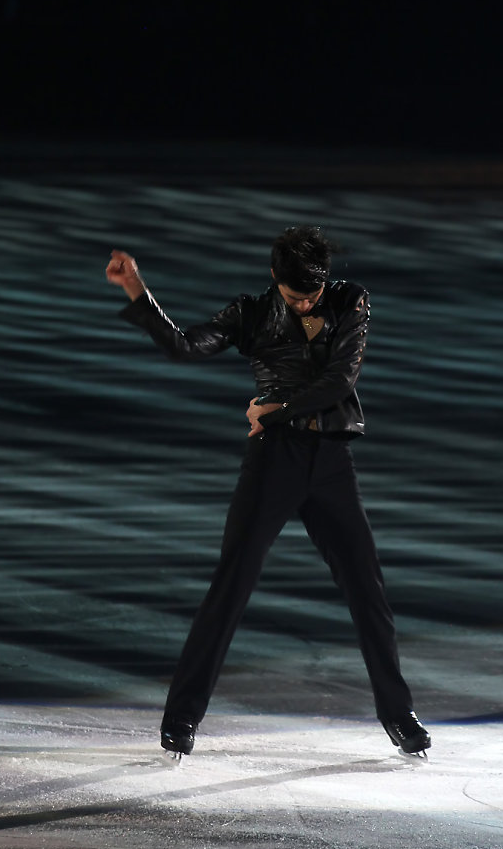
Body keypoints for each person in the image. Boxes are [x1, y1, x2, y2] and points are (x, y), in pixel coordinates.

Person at [106, 226, 431, 758]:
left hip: (330, 461)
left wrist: (274, 407)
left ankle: (399, 715)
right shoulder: (250, 313)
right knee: (231, 586)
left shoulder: (350, 301)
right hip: (272, 462)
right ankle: (182, 717)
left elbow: (340, 381)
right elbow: (187, 346)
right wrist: (138, 292)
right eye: (295, 293)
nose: (305, 301)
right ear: (274, 280)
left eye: (312, 292)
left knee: (367, 590)